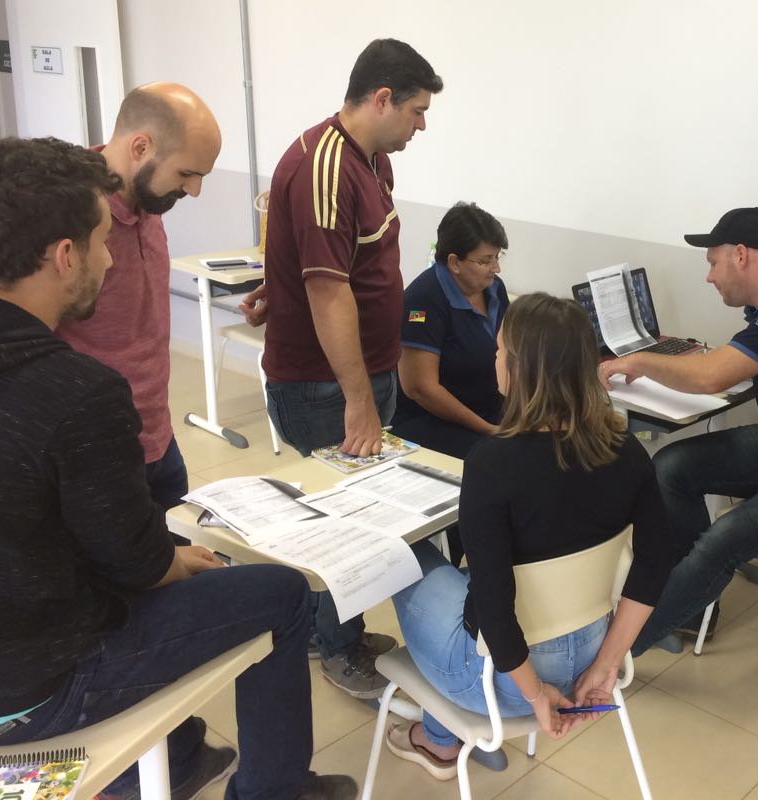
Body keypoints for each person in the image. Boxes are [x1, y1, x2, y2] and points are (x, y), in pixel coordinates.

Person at [0, 137, 355, 800]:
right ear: (64, 256)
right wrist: (172, 560)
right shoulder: (77, 393)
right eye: (101, 241)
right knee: (280, 593)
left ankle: (179, 757)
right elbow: (135, 564)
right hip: (32, 695)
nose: (111, 259)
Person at [382, 293, 672, 782]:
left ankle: (437, 740)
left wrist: (536, 697)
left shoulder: (492, 464)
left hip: (502, 684)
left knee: (405, 555)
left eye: (499, 351)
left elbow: (494, 612)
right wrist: (606, 664)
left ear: (519, 370)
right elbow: (656, 560)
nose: (494, 359)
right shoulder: (626, 449)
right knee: (470, 579)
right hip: (591, 656)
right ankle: (438, 730)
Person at [260, 38, 442, 699]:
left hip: (365, 368)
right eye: (417, 112)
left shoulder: (372, 159)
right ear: (382, 98)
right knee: (346, 521)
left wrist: (275, 287)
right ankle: (339, 649)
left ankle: (324, 629)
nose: (422, 126)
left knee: (354, 507)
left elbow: (337, 261)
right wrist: (358, 401)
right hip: (324, 385)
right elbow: (328, 291)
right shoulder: (324, 167)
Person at [597, 208, 758, 655]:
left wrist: (639, 361)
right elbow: (731, 367)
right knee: (670, 466)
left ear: (741, 255)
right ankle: (690, 606)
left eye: (713, 263)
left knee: (721, 541)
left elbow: (712, 377)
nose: (710, 277)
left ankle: (615, 654)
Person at [56, 82, 220, 511]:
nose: (194, 190)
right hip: (97, 451)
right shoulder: (66, 213)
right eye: (186, 174)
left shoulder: (150, 199)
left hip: (159, 437)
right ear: (141, 147)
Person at [391, 201, 510, 457]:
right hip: (432, 420)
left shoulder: (494, 288)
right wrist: (488, 430)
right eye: (486, 260)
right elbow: (421, 389)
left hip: (486, 407)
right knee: (498, 457)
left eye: (497, 257)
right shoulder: (422, 301)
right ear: (454, 262)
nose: (496, 268)